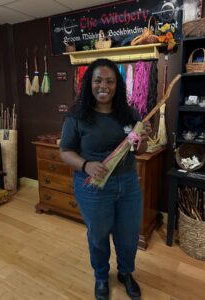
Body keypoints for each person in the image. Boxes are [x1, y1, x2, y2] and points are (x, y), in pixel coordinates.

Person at [60, 58, 152, 300]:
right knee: (98, 235)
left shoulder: (129, 113)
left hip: (128, 184)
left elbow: (138, 151)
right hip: (93, 188)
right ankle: (101, 276)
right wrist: (86, 165)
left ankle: (126, 273)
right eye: (98, 80)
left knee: (129, 234)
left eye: (110, 81)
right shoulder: (77, 116)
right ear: (89, 83)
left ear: (117, 85)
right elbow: (65, 151)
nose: (104, 86)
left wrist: (144, 139)